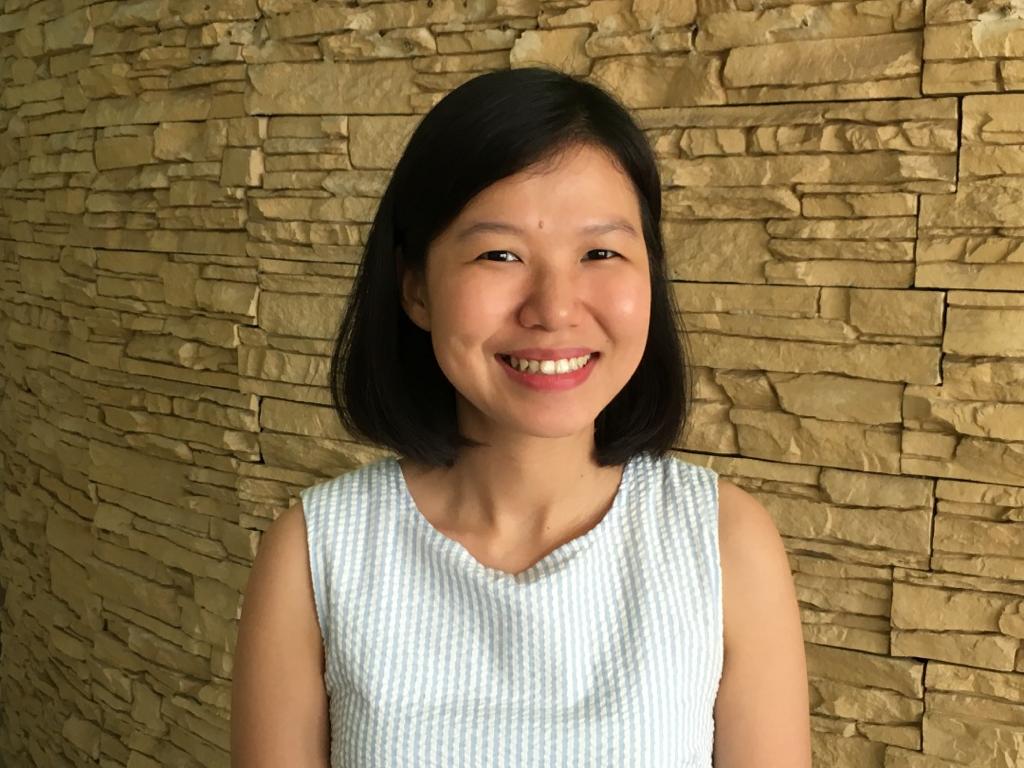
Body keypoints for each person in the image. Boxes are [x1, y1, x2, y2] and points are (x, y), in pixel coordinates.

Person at [231, 66, 812, 768]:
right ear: (415, 288)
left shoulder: (724, 545)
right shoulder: (316, 555)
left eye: (600, 252)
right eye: (499, 254)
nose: (554, 308)